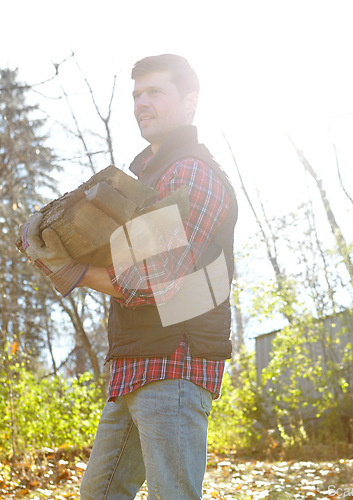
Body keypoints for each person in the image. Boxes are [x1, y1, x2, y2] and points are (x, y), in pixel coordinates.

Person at [22, 54, 238, 499]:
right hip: (134, 364)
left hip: (175, 361)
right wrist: (64, 242)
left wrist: (71, 269)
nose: (142, 103)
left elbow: (154, 282)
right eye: (137, 94)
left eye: (155, 92)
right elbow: (127, 264)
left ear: (191, 100)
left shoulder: (192, 173)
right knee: (99, 494)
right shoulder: (144, 179)